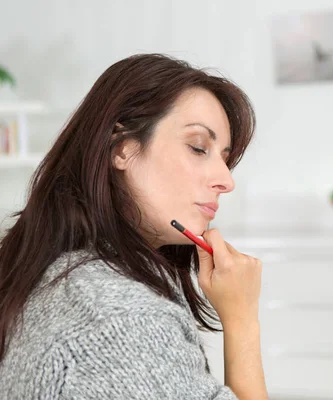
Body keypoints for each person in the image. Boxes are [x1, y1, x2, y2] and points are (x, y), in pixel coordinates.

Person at [0, 53, 267, 400]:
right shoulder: (121, 320)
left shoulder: (71, 276)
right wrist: (242, 319)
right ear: (123, 147)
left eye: (225, 159)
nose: (226, 180)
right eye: (198, 147)